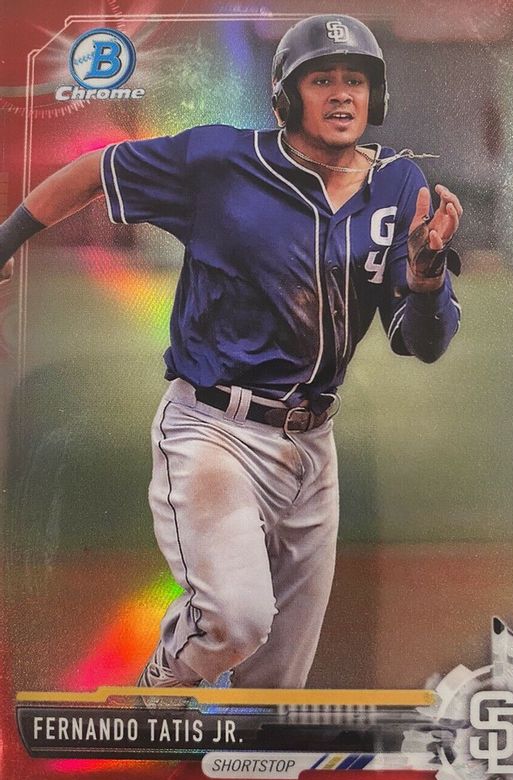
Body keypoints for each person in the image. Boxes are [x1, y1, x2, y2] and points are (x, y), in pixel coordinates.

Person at [0, 15, 462, 691]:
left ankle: (230, 755)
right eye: (322, 79)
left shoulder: (397, 187)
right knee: (235, 621)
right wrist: (7, 239)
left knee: (277, 687)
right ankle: (159, 692)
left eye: (356, 80)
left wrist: (424, 276)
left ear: (376, 95)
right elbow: (98, 170)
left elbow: (421, 341)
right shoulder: (221, 161)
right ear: (286, 97)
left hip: (313, 448)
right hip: (214, 430)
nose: (342, 94)